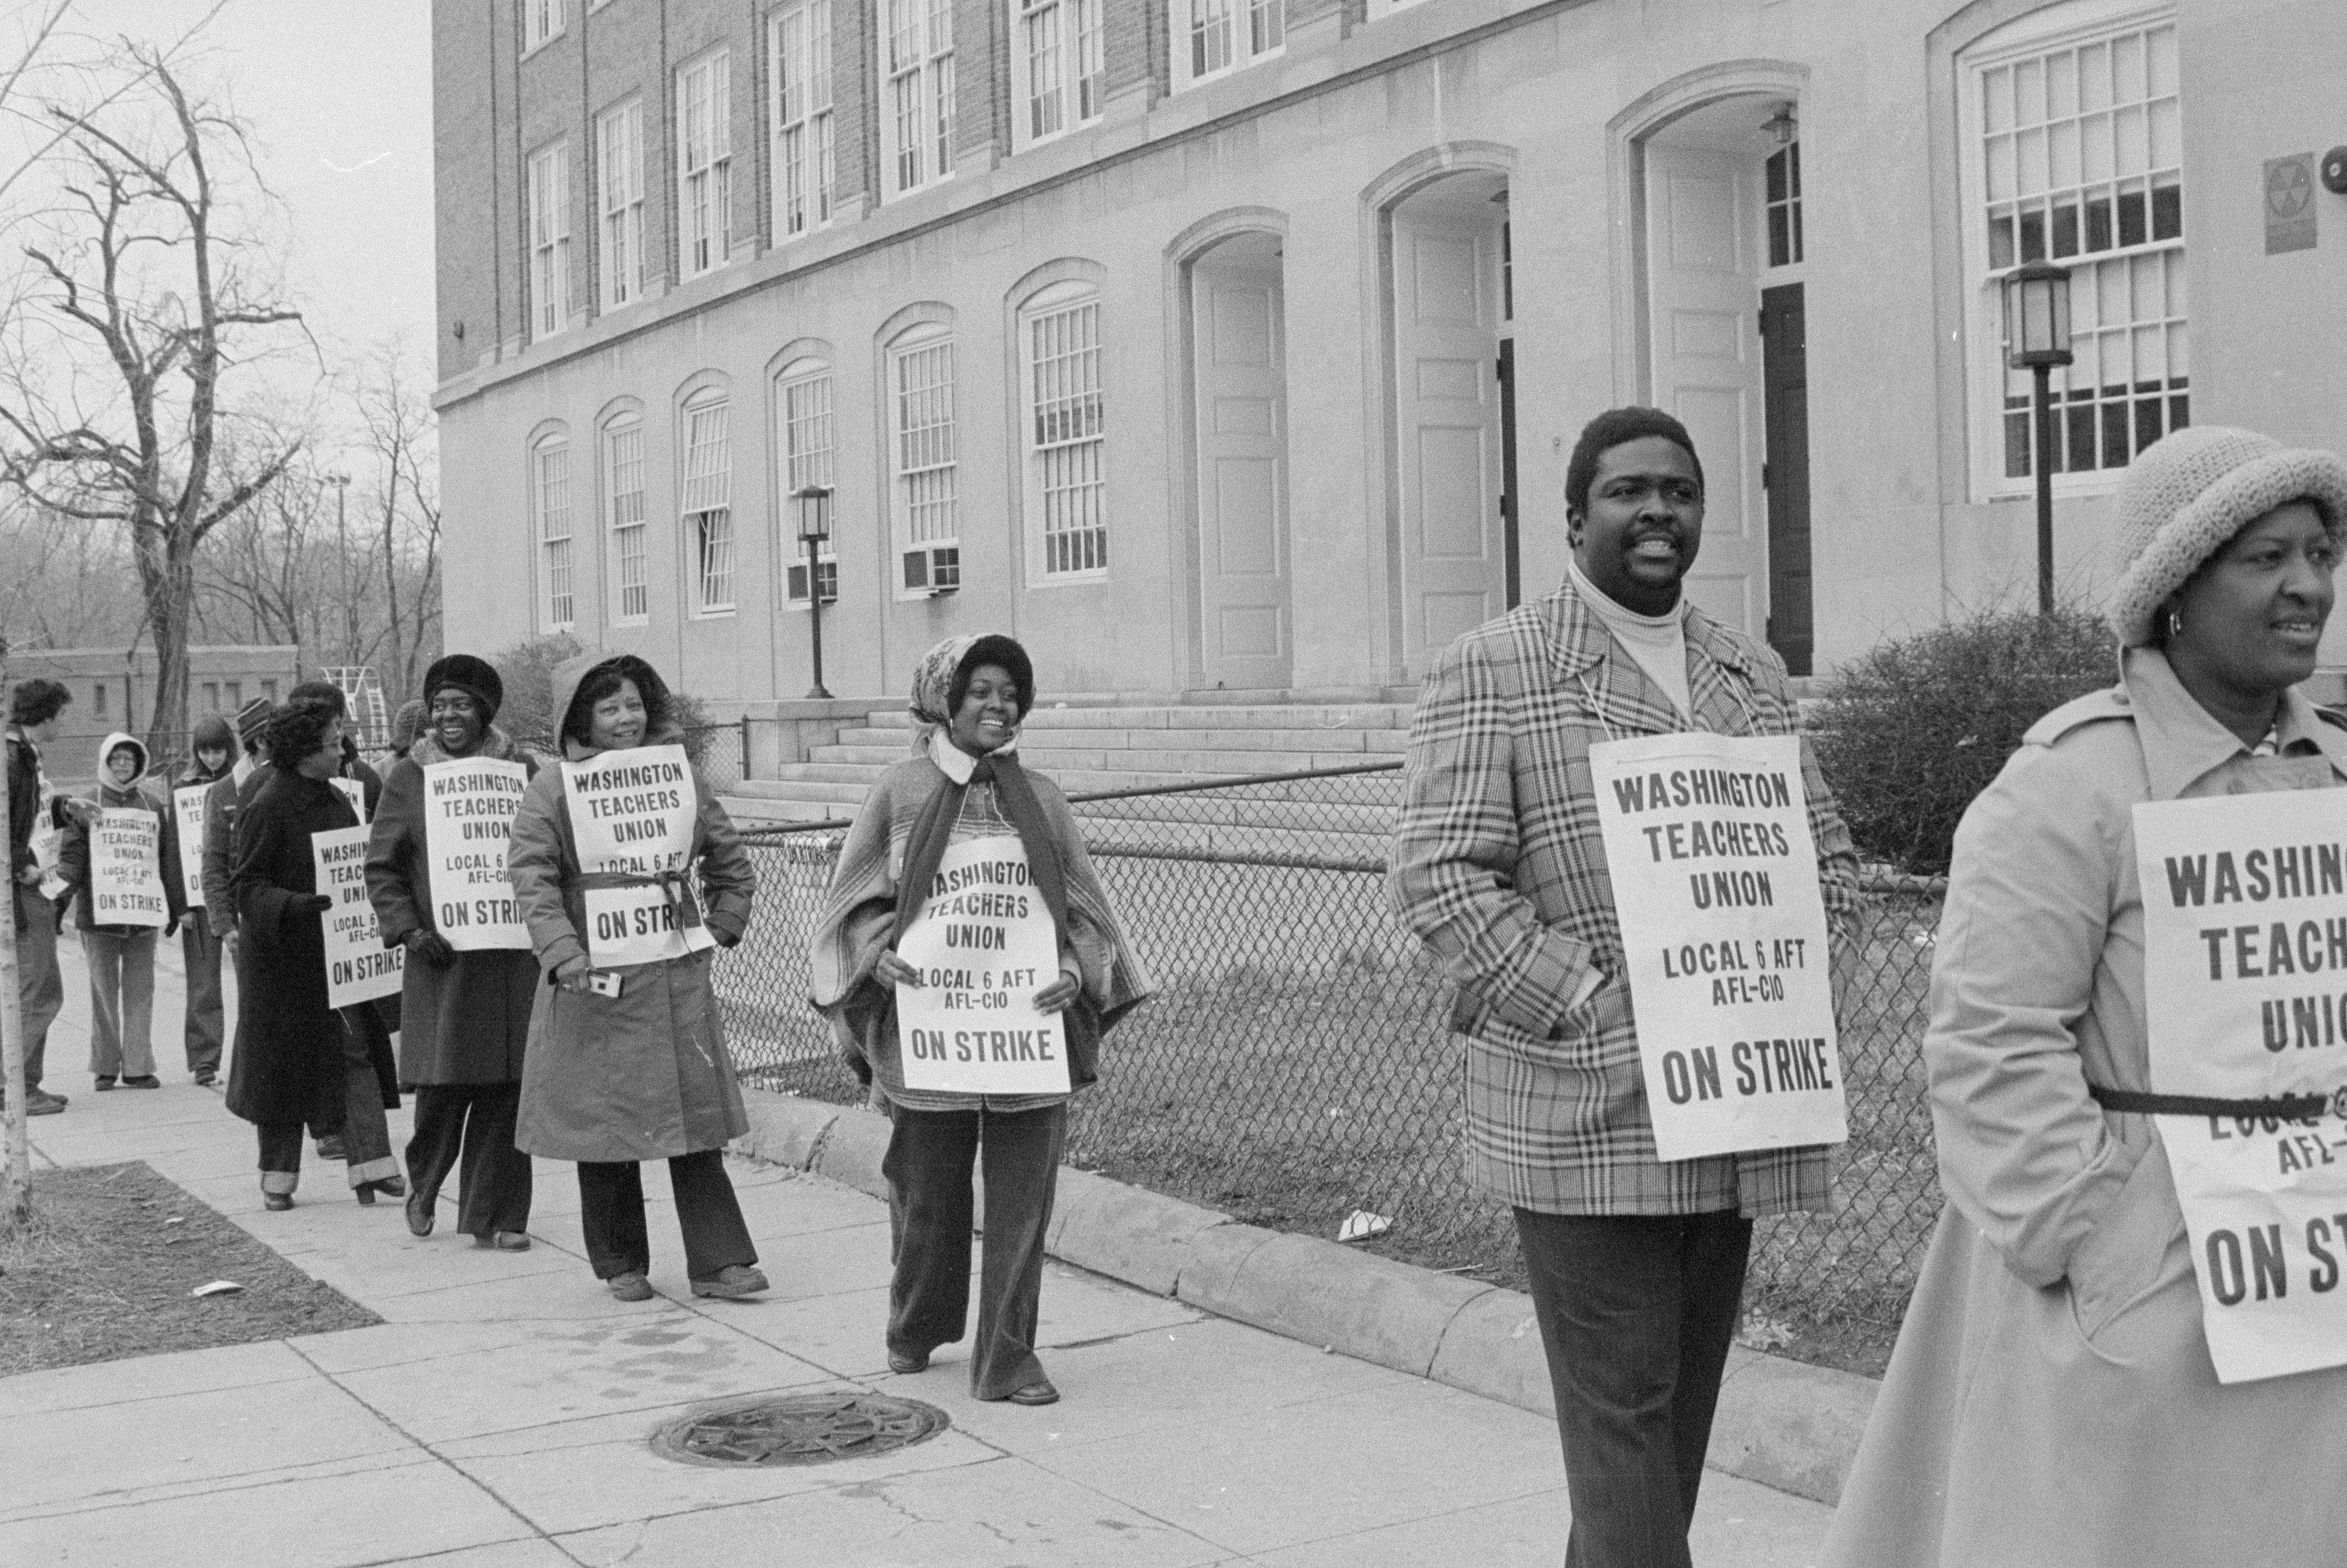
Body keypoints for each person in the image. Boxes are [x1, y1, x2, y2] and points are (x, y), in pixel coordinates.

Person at [1824, 427, 2347, 1567]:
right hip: (2139, 1302)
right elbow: (1990, 1046)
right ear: (2173, 590)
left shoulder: (2335, 777)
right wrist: (2105, 1243)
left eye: (2319, 553)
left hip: (2314, 1281)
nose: (2308, 586)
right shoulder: (2067, 787)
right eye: (2265, 558)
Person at [1389, 407, 1860, 1567]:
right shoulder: (1497, 663)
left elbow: (1829, 862)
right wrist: (1596, 1002)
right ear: (1573, 518)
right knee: (1623, 1420)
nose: (1658, 511)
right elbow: (1440, 875)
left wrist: (1789, 978)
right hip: (1585, 1109)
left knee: (1666, 1428)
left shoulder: (1749, 671)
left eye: (1680, 492)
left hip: (1734, 1102)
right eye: (1628, 491)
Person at [810, 634, 1153, 1407]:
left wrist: (1073, 970)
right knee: (927, 1194)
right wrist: (877, 955)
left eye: (1009, 692)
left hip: (1027, 1037)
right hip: (928, 1033)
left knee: (1023, 1202)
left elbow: (1081, 910)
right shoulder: (898, 793)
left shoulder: (1044, 799)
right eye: (980, 691)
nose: (998, 705)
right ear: (944, 701)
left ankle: (1008, 1359)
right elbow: (850, 904)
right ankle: (917, 1323)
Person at [508, 652, 767, 1301]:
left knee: (696, 1123)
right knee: (605, 1127)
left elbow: (729, 859)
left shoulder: (680, 777)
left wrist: (723, 923)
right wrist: (563, 952)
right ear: (581, 718)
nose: (626, 718)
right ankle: (619, 1260)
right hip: (593, 982)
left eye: (634, 704)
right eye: (609, 708)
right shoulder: (552, 787)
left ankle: (719, 1262)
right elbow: (532, 876)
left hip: (675, 976)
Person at [367, 655, 538, 1249]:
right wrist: (409, 930)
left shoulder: (521, 770)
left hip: (511, 958)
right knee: (444, 1087)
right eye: (439, 705)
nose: (448, 716)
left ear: (483, 710)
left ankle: (501, 1215)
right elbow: (382, 868)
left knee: (508, 1086)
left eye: (461, 704)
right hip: (443, 958)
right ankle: (425, 1182)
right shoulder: (408, 776)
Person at [227, 701, 365, 1209]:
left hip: (331, 957)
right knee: (279, 1075)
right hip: (279, 962)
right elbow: (246, 887)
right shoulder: (267, 805)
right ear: (306, 751)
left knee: (342, 1065)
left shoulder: (337, 800)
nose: (342, 750)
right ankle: (278, 1177)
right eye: (333, 742)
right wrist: (294, 906)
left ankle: (369, 1168)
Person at [56, 731, 174, 1091]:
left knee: (141, 992)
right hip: (99, 916)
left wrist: (174, 906)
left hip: (142, 917)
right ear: (106, 762)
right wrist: (59, 903)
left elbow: (166, 859)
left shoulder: (152, 805)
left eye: (130, 759)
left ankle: (138, 1066)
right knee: (103, 993)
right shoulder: (88, 803)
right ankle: (105, 1066)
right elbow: (72, 857)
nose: (123, 764)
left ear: (139, 764)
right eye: (116, 758)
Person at [5, 678, 78, 1117]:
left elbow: (28, 815)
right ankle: (14, 1086)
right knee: (41, 990)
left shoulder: (24, 755)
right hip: (23, 890)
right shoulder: (13, 758)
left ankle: (27, 1084)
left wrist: (65, 808)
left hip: (29, 886)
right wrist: (21, 865)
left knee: (36, 989)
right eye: (62, 714)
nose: (64, 722)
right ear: (45, 715)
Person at [162, 715, 236, 1085]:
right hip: (198, 900)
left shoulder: (242, 783)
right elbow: (174, 850)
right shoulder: (182, 788)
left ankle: (256, 1057)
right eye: (204, 751)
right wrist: (180, 906)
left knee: (255, 980)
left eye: (217, 750)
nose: (211, 757)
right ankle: (204, 1060)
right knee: (203, 983)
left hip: (237, 894)